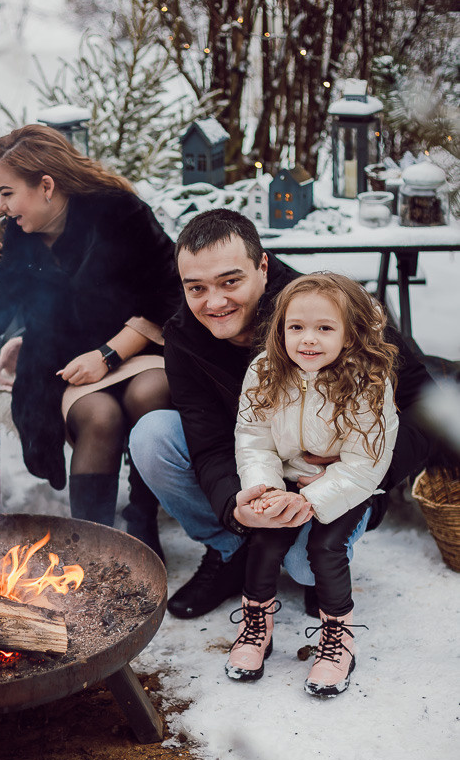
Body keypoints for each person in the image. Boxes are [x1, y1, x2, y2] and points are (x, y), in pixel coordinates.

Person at [129, 208, 434, 619]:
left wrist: (366, 478)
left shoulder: (328, 309)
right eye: (196, 287)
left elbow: (424, 401)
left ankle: (314, 553)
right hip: (259, 465)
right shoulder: (184, 336)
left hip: (336, 470)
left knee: (305, 568)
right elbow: (208, 439)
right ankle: (230, 550)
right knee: (152, 436)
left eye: (230, 281)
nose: (214, 302)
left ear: (263, 267)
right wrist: (234, 509)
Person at [0, 124, 181, 545]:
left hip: (137, 349)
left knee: (150, 392)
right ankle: (95, 544)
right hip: (62, 367)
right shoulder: (17, 242)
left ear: (46, 185)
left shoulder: (120, 212)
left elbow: (171, 292)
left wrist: (108, 354)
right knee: (101, 417)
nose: (2, 206)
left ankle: (143, 516)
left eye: (7, 192)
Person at [226, 273, 399, 697]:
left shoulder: (369, 382)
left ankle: (339, 638)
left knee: (324, 548)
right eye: (296, 327)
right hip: (285, 478)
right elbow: (254, 440)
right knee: (265, 538)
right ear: (280, 328)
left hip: (347, 484)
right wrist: (267, 492)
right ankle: (256, 627)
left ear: (350, 332)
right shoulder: (265, 371)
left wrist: (313, 499)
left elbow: (366, 462)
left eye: (325, 328)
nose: (308, 339)